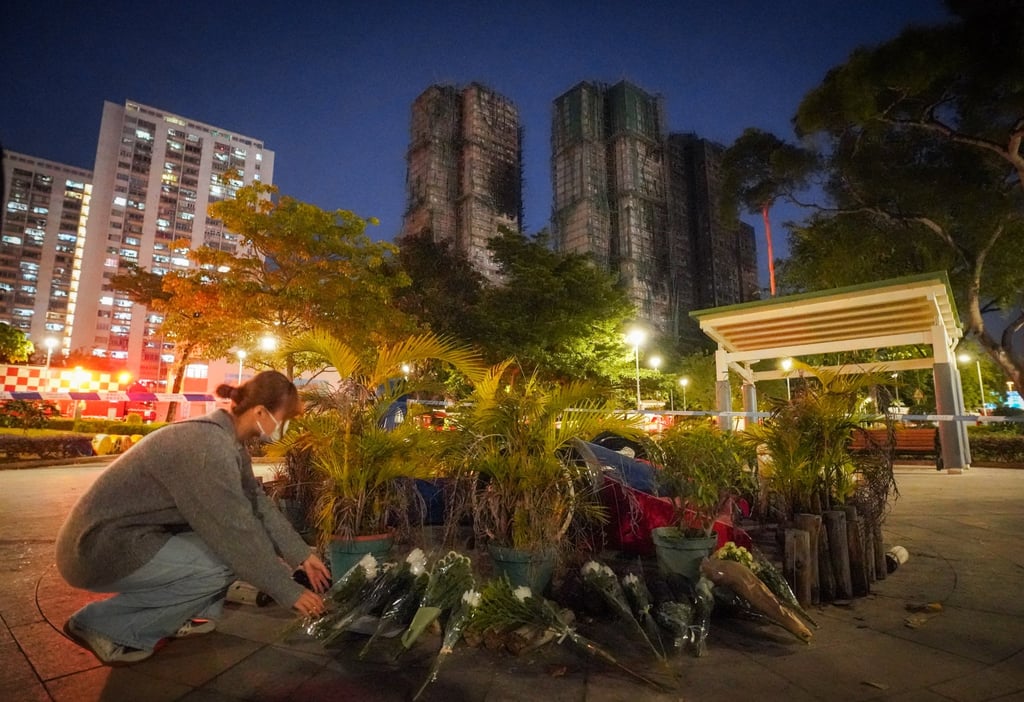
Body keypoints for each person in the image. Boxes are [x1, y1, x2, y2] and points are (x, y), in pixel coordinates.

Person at [56, 370, 331, 665]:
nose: (285, 429)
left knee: (232, 551)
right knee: (226, 560)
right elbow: (235, 534)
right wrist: (287, 590)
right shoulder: (208, 449)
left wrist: (301, 555)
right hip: (98, 549)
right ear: (261, 411)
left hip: (131, 537)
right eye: (285, 420)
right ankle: (105, 625)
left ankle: (183, 614)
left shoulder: (227, 441)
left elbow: (256, 503)